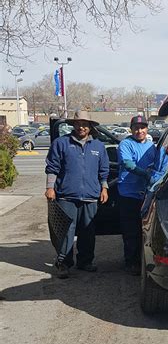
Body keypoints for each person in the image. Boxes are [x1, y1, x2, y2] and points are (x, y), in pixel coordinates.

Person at [45, 111, 109, 278]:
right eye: (78, 123)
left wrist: (104, 188)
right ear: (73, 125)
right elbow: (52, 167)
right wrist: (50, 187)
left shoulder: (98, 146)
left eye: (85, 124)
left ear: (90, 127)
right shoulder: (61, 143)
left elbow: (104, 171)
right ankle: (63, 264)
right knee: (66, 232)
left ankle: (85, 261)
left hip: (91, 196)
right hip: (66, 196)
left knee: (88, 231)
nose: (81, 127)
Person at [117, 115, 156, 275]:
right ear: (131, 129)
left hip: (147, 194)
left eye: (142, 127)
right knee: (131, 231)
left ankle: (143, 260)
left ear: (147, 129)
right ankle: (131, 262)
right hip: (129, 194)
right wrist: (145, 174)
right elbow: (127, 163)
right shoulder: (125, 144)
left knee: (145, 231)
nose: (139, 131)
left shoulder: (152, 146)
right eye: (136, 128)